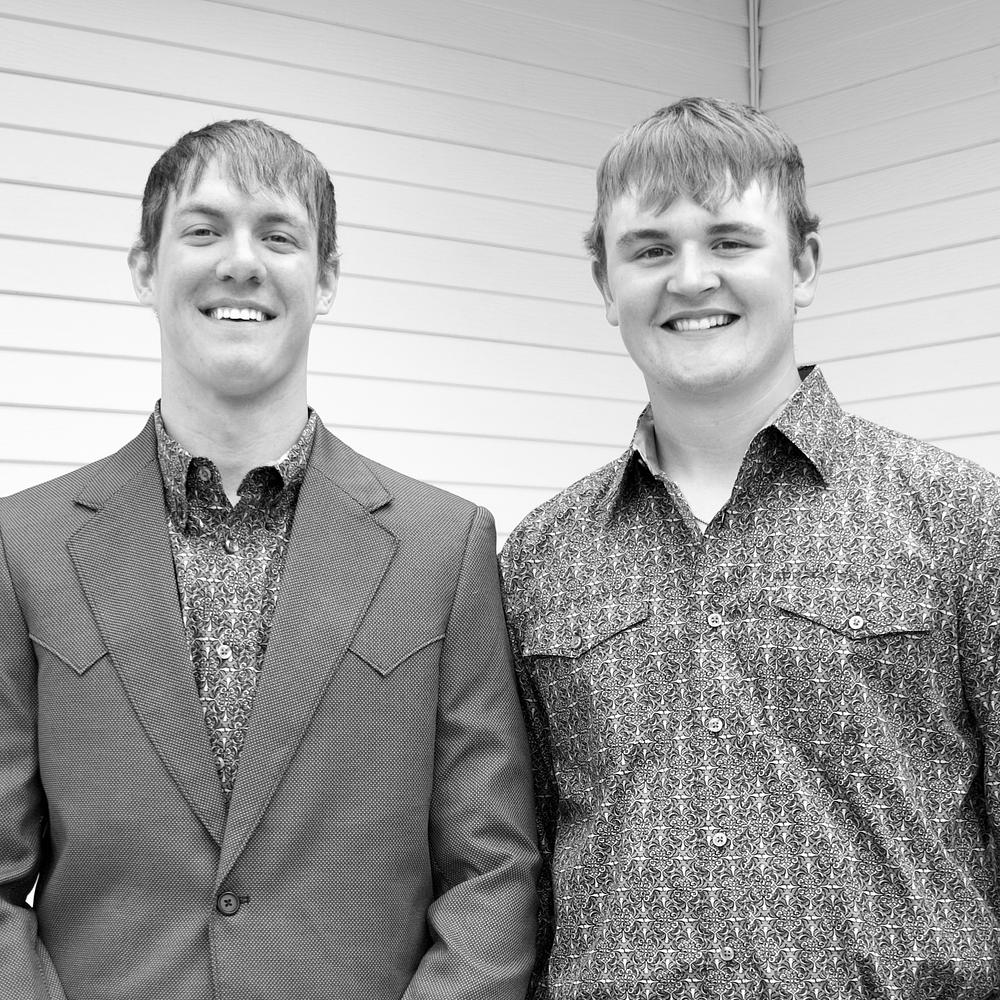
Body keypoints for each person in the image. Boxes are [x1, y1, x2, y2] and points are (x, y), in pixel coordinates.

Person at [0, 119, 537, 1000]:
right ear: (144, 268)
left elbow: (495, 873)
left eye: (279, 235)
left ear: (326, 279)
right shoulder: (23, 549)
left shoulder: (445, 550)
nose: (241, 262)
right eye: (204, 229)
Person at [500, 96, 1000, 999]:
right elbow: (517, 872)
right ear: (606, 284)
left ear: (803, 263)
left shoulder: (959, 519)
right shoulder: (539, 560)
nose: (692, 279)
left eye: (730, 241)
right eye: (651, 249)